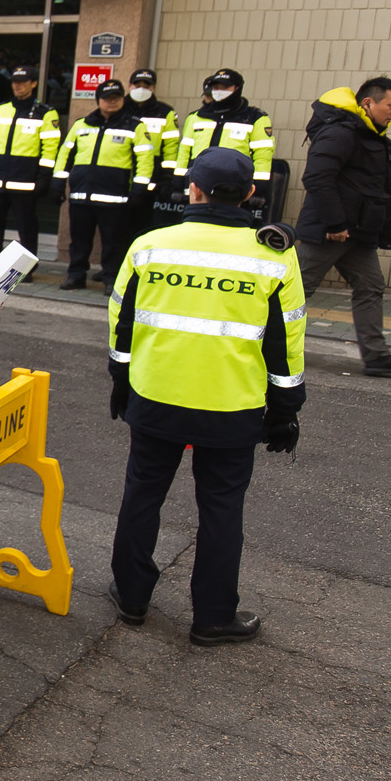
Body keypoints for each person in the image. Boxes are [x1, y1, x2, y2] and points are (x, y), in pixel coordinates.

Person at [107, 147, 306, 644]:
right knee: (221, 509)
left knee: (142, 494)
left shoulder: (149, 246)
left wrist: (121, 382)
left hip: (155, 397)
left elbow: (121, 323)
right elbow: (287, 343)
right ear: (250, 194)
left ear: (192, 189)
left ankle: (131, 597)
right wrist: (284, 412)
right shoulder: (274, 257)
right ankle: (214, 618)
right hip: (231, 408)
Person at [292, 78, 391, 376]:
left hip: (358, 233)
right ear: (368, 103)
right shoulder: (341, 132)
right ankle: (257, 339)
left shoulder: (371, 137)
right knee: (296, 289)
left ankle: (376, 356)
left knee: (371, 286)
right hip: (330, 231)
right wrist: (336, 222)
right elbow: (317, 177)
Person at [56, 79, 153, 291]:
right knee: (79, 241)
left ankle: (111, 279)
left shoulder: (135, 126)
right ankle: (76, 276)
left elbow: (145, 161)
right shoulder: (81, 125)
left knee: (113, 243)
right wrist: (58, 181)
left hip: (115, 197)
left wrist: (139, 189)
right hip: (81, 195)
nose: (112, 102)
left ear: (122, 99)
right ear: (98, 100)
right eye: (107, 98)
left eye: (116, 98)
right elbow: (65, 154)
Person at [0, 64, 60, 261]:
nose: (18, 86)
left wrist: (44, 177)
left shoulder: (46, 113)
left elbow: (50, 149)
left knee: (27, 227)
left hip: (25, 181)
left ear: (34, 84)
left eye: (23, 82)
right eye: (15, 82)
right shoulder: (0, 110)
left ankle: (27, 265)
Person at [173, 68, 275, 220]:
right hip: (198, 186)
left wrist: (259, 189)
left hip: (232, 189)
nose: (219, 91)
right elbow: (184, 153)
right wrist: (177, 183)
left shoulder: (255, 118)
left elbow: (263, 157)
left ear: (237, 88)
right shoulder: (196, 117)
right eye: (216, 87)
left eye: (225, 87)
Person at [123, 67, 179, 236]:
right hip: (121, 176)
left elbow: (171, 148)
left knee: (142, 227)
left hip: (150, 180)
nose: (141, 89)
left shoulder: (165, 113)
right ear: (129, 86)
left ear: (153, 88)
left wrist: (167, 178)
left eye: (146, 86)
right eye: (137, 85)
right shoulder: (119, 108)